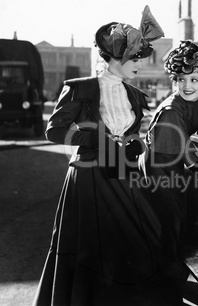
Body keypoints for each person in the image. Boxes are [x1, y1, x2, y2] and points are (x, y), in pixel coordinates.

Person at [32, 6, 179, 306]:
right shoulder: (80, 89)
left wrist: (136, 144)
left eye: (142, 56)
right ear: (115, 58)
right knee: (89, 250)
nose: (141, 63)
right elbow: (54, 131)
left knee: (137, 243)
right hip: (88, 177)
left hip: (122, 175)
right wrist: (98, 139)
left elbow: (132, 134)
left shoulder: (136, 96)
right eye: (136, 57)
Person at [138, 37, 198, 302]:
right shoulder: (172, 111)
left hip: (179, 158)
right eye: (180, 80)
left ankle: (173, 271)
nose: (186, 86)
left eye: (193, 79)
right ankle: (166, 281)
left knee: (190, 217)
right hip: (162, 160)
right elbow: (183, 155)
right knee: (170, 219)